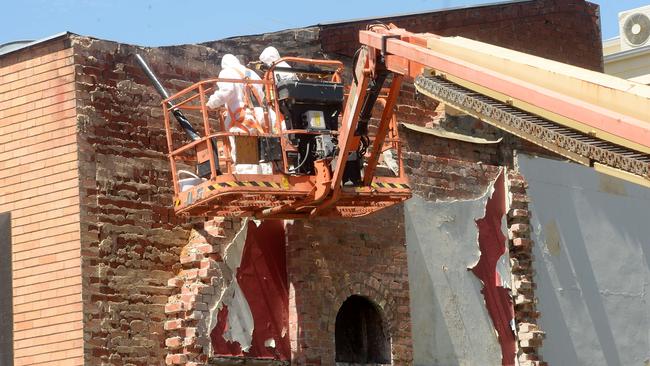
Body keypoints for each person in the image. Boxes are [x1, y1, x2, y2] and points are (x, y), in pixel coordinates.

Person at [206, 54, 271, 174]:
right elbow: (261, 96)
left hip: (243, 118)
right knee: (262, 151)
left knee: (245, 157)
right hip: (261, 116)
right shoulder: (252, 73)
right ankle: (267, 175)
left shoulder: (227, 72)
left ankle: (248, 180)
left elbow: (227, 91)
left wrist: (211, 104)